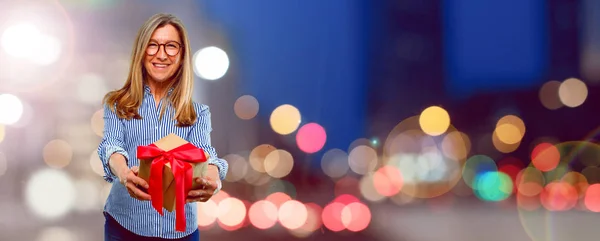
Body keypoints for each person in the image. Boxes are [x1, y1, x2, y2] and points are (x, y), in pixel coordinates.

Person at [97, 13, 228, 240]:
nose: (161, 54)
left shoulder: (198, 113)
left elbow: (204, 156)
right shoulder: (117, 104)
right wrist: (125, 174)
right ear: (141, 52)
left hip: (181, 232)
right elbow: (112, 145)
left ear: (182, 55)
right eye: (153, 45)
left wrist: (213, 181)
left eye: (171, 46)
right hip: (124, 225)